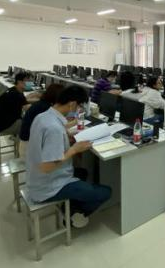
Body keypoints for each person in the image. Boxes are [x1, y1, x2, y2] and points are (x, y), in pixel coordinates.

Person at [27, 85, 111, 228]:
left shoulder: (43, 116)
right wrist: (74, 149)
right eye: (79, 106)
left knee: (83, 172)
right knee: (105, 192)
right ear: (72, 104)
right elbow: (47, 167)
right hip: (48, 186)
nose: (79, 110)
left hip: (36, 178)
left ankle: (72, 205)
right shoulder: (54, 128)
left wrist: (67, 140)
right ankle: (75, 215)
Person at [0, 71, 31, 140]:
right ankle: (21, 143)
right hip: (3, 127)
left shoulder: (15, 90)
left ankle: (15, 136)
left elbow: (25, 100)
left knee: (24, 117)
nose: (30, 83)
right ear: (19, 82)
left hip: (0, 123)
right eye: (27, 81)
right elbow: (28, 108)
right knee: (30, 123)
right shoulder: (16, 95)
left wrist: (38, 97)